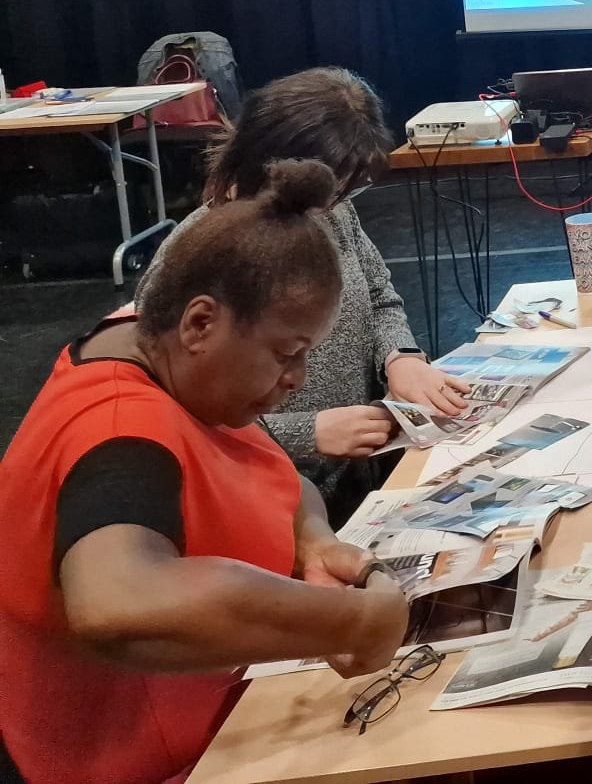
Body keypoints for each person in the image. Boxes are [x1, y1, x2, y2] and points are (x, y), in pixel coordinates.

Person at [0, 160, 411, 784]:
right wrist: (352, 620)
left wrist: (311, 541)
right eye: (286, 354)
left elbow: (269, 467)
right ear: (199, 323)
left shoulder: (157, 348)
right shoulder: (119, 435)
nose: (297, 379)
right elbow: (116, 602)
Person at [136, 68, 466, 519]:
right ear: (272, 161)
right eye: (333, 185)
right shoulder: (199, 255)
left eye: (348, 187)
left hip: (356, 484)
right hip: (265, 505)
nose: (335, 201)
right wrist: (303, 434)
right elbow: (174, 419)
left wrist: (400, 357)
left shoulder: (328, 210)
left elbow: (380, 295)